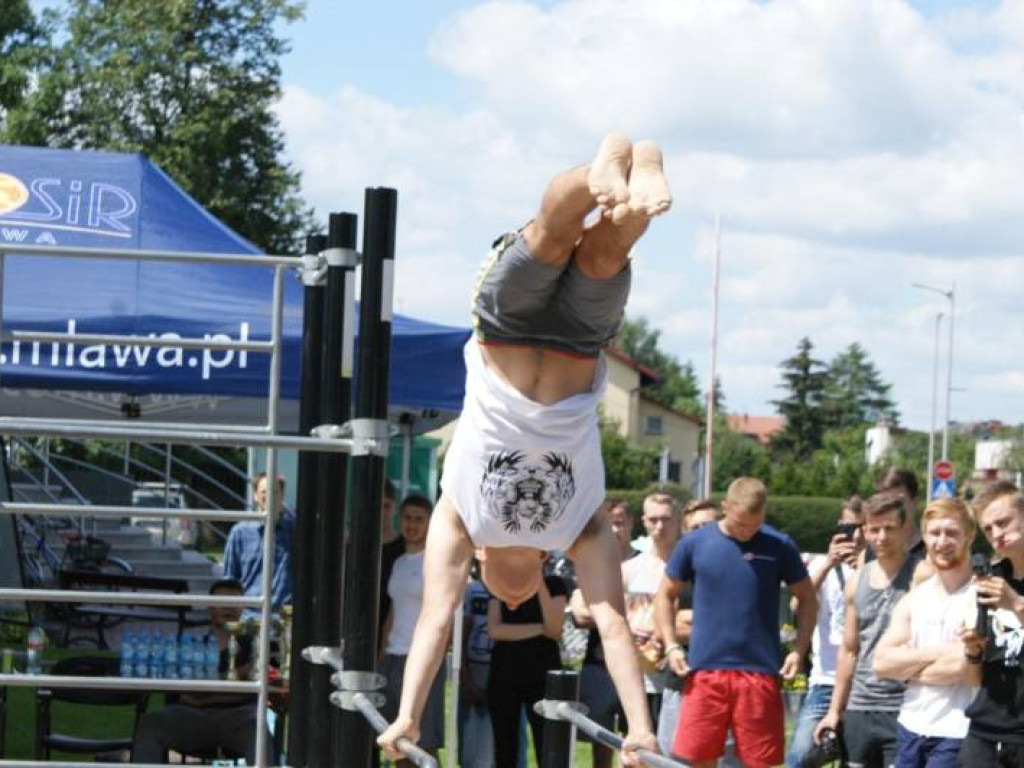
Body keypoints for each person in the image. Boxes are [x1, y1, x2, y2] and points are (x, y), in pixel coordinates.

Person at [378, 132, 672, 765]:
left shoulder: (520, 526)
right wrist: (640, 728)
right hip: (541, 345)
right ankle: (620, 185)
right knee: (576, 244)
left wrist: (408, 714)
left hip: (537, 342)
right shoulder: (554, 529)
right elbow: (612, 625)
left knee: (567, 240)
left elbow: (436, 621)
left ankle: (616, 186)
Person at [653, 477, 817, 768]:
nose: (747, 532)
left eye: (754, 525)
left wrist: (798, 650)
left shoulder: (779, 545)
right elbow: (665, 595)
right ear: (725, 507)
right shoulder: (694, 543)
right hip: (704, 672)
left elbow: (807, 598)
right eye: (740, 524)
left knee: (760, 763)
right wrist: (671, 646)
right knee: (696, 761)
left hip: (759, 675)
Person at [814, 491, 921, 768]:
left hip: (905, 706)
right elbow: (849, 651)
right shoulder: (856, 581)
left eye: (889, 528)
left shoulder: (922, 576)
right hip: (860, 707)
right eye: (875, 529)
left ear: (906, 528)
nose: (882, 537)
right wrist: (834, 711)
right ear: (864, 530)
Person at [873, 497, 978, 768]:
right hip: (910, 726)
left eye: (952, 533)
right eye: (935, 533)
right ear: (924, 536)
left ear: (970, 535)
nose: (942, 542)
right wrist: (940, 651)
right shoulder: (915, 598)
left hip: (957, 731)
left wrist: (908, 667)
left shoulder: (981, 596)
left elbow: (961, 667)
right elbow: (881, 663)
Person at [131, 579, 271, 763]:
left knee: (259, 730)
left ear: (242, 608)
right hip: (190, 717)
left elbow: (253, 693)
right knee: (150, 723)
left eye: (234, 603)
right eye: (222, 602)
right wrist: (235, 681)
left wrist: (203, 694)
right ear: (209, 606)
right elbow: (182, 694)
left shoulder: (254, 646)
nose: (228, 608)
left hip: (239, 718)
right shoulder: (192, 645)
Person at [785, 496, 865, 768]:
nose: (849, 535)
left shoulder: (876, 567)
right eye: (843, 526)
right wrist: (829, 563)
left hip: (864, 682)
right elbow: (796, 605)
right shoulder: (821, 564)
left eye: (856, 527)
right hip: (825, 678)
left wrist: (862, 567)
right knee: (798, 757)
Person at [957, 481, 1024, 766]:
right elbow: (974, 679)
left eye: (1003, 523)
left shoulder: (1004, 593)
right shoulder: (990, 579)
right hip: (984, 732)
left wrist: (1016, 605)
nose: (997, 534)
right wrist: (972, 651)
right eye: (988, 528)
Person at [570, 499, 641, 768]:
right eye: (609, 523)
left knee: (634, 740)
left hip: (642, 667)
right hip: (598, 663)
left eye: (620, 523)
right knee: (600, 741)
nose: (614, 530)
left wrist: (604, 608)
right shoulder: (591, 563)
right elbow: (580, 612)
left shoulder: (643, 563)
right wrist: (628, 610)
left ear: (631, 524)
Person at [379, 496, 445, 762]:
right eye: (407, 517)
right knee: (397, 746)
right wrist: (382, 651)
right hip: (392, 659)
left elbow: (443, 616)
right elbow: (394, 610)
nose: (412, 524)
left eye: (419, 519)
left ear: (430, 522)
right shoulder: (399, 562)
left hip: (420, 661)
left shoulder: (435, 561)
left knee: (423, 744)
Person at [655, 498, 719, 758]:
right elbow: (661, 627)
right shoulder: (678, 575)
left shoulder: (736, 570)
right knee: (672, 758)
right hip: (681, 682)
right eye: (695, 528)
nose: (702, 533)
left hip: (723, 683)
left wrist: (687, 619)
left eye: (709, 526)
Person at [486, 563, 567, 768]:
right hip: (505, 676)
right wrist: (540, 628)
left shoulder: (554, 584)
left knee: (548, 749)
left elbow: (554, 628)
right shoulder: (501, 586)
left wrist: (538, 584)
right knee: (505, 751)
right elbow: (495, 630)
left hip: (543, 678)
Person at [222, 473, 293, 610]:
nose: (270, 496)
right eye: (264, 492)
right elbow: (229, 579)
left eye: (275, 492)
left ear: (282, 496)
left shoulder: (294, 530)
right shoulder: (239, 533)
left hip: (286, 615)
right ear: (255, 495)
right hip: (249, 615)